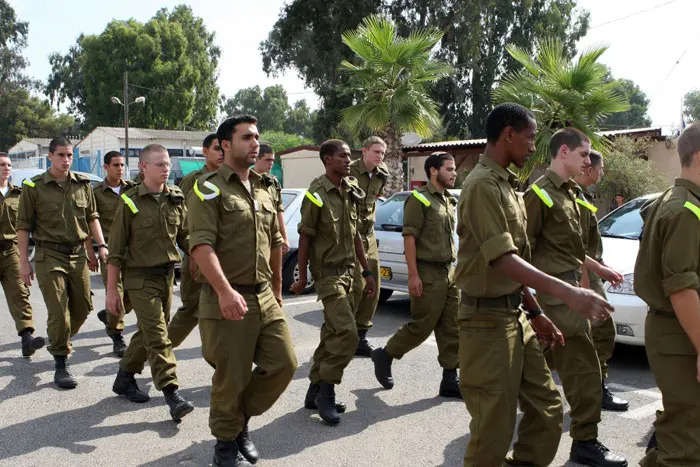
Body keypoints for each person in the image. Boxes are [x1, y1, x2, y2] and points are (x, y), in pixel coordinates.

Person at [456, 103, 615, 467]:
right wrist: (567, 293)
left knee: (547, 413)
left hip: (516, 316)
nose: (532, 147)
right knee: (493, 434)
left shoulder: (507, 185)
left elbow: (516, 265)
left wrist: (536, 311)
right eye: (528, 138)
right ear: (508, 134)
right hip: (485, 323)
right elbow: (502, 259)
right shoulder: (482, 185)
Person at [189, 116, 297, 467]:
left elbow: (276, 243)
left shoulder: (266, 187)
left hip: (264, 294)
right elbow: (202, 246)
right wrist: (223, 291)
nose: (255, 143)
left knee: (284, 364)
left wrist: (277, 292)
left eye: (257, 137)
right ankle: (225, 446)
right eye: (246, 137)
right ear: (224, 145)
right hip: (227, 296)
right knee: (231, 377)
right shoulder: (208, 187)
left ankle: (237, 422)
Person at [524, 127, 627, 467]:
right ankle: (585, 441)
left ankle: (514, 389)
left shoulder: (570, 194)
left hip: (570, 294)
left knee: (547, 362)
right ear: (564, 152)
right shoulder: (539, 195)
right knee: (585, 373)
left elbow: (571, 249)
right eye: (584, 154)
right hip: (554, 298)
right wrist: (535, 305)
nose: (589, 161)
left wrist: (595, 273)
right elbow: (521, 254)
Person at [291, 139, 377, 426]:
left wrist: (367, 272)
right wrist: (302, 275)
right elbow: (305, 235)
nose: (348, 160)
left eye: (349, 156)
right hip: (327, 274)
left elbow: (355, 235)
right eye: (342, 156)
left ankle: (313, 391)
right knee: (348, 334)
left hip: (351, 272)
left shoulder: (350, 189)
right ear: (327, 159)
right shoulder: (316, 193)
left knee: (331, 334)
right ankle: (327, 393)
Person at [106, 144, 194, 423]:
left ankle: (124, 377)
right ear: (143, 167)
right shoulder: (129, 201)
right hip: (139, 277)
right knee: (158, 336)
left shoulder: (176, 198)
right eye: (159, 164)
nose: (166, 169)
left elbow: (186, 238)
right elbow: (116, 251)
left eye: (167, 164)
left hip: (167, 276)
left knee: (149, 332)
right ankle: (172, 393)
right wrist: (111, 291)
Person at [18, 136, 108, 389]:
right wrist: (24, 262)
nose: (66, 160)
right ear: (50, 156)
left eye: (69, 155)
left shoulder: (82, 185)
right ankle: (61, 361)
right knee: (58, 309)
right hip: (49, 255)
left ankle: (58, 337)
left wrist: (99, 247)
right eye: (61, 155)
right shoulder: (33, 187)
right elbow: (23, 227)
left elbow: (92, 217)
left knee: (82, 307)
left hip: (78, 253)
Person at [635, 122, 700, 467]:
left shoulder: (677, 201)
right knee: (687, 446)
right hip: (679, 333)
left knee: (680, 431)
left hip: (679, 330)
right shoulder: (685, 210)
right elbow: (682, 289)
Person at [372, 152, 461, 398]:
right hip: (427, 271)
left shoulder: (448, 200)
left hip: (448, 272)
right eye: (449, 169)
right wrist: (413, 275)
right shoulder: (419, 200)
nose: (454, 173)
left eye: (454, 169)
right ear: (434, 171)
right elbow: (409, 238)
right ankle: (385, 354)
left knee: (452, 326)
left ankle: (450, 378)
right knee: (423, 325)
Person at [573, 150, 629, 412]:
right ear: (589, 169)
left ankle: (595, 388)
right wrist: (587, 286)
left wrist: (603, 268)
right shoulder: (573, 197)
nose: (602, 172)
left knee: (595, 336)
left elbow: (587, 245)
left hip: (589, 273)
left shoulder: (584, 197)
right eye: (601, 167)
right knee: (600, 333)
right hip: (579, 277)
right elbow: (573, 248)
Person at [167, 133, 223, 348]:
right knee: (192, 309)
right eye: (216, 148)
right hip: (198, 253)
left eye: (224, 149)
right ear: (205, 151)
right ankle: (156, 352)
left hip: (225, 255)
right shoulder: (193, 181)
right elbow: (184, 221)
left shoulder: (232, 179)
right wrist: (193, 255)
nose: (221, 153)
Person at [88, 151, 134, 357]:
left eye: (122, 164)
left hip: (134, 250)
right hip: (109, 251)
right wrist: (91, 251)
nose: (120, 168)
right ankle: (117, 335)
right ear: (106, 167)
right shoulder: (95, 192)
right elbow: (88, 221)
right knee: (115, 292)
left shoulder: (133, 189)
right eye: (115, 165)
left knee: (133, 294)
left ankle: (109, 314)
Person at [0, 152, 45, 356]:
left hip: (11, 251)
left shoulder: (19, 195)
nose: (6, 168)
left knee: (20, 293)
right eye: (2, 165)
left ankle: (27, 338)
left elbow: (30, 223)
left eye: (8, 165)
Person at [349, 136, 389, 357]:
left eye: (382, 153)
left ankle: (361, 336)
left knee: (374, 288)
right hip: (351, 235)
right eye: (376, 152)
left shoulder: (382, 173)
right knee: (356, 286)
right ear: (364, 151)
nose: (380, 157)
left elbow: (376, 198)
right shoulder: (349, 171)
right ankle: (343, 334)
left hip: (369, 235)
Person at [253, 144, 290, 254]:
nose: (271, 163)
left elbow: (279, 212)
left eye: (273, 160)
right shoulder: (246, 181)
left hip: (272, 239)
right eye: (268, 160)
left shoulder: (273, 183)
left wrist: (284, 238)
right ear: (256, 159)